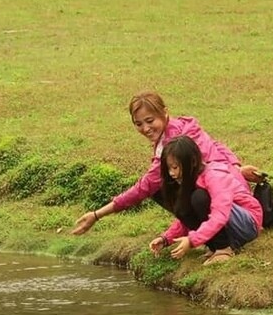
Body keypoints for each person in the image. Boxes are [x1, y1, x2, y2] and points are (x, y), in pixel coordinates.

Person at [72, 91, 262, 235]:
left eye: (149, 120)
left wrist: (97, 215)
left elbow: (145, 186)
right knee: (171, 187)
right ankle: (203, 234)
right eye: (138, 124)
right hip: (230, 191)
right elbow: (215, 145)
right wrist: (237, 167)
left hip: (237, 209)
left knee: (178, 192)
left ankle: (219, 243)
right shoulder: (181, 127)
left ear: (165, 113)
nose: (145, 128)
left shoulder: (175, 142)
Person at [148, 136, 263, 265]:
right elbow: (186, 216)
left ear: (191, 162)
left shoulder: (214, 176)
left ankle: (223, 249)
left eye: (175, 168)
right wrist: (165, 239)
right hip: (228, 225)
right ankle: (214, 247)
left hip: (247, 225)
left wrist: (192, 240)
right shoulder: (191, 180)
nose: (172, 174)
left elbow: (220, 214)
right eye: (168, 169)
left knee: (199, 198)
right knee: (182, 205)